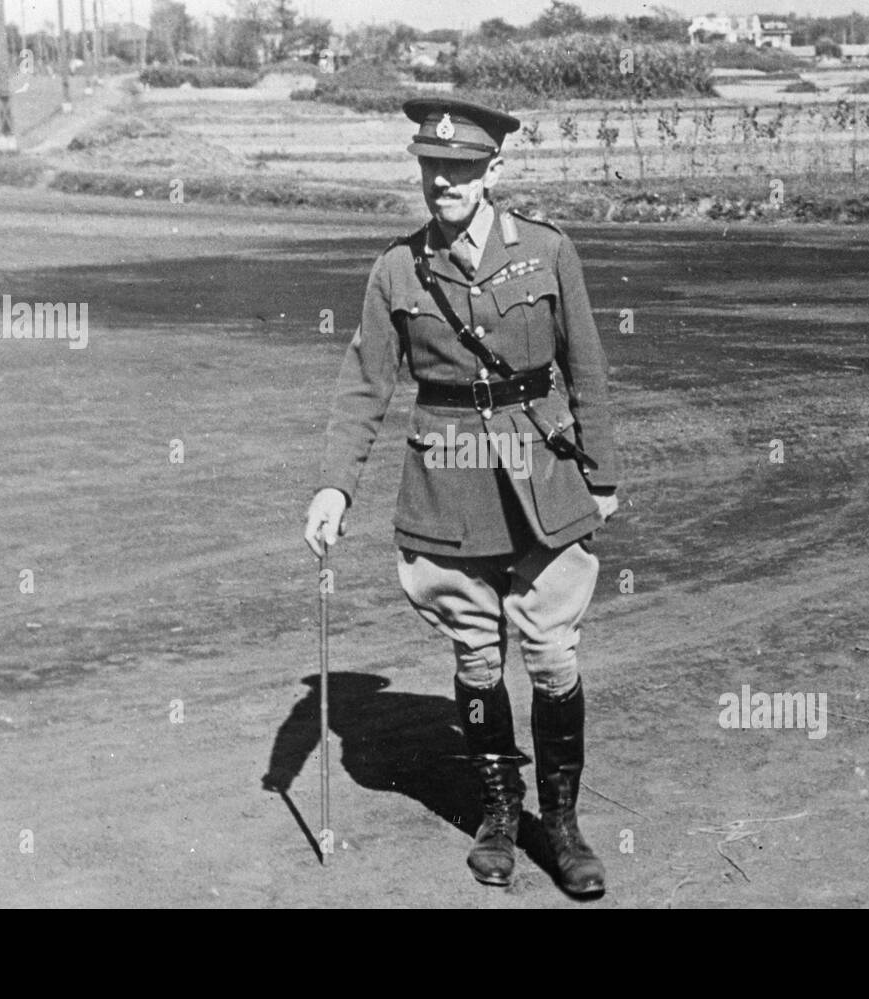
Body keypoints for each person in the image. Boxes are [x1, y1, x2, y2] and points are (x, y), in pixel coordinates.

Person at [302, 98, 621, 897]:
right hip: (446, 485)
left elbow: (587, 366)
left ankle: (565, 825)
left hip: (543, 478)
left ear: (493, 172)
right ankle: (499, 815)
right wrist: (336, 485)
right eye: (430, 168)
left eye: (461, 168)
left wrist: (604, 475)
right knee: (477, 655)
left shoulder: (547, 252)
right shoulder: (396, 271)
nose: (443, 181)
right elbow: (365, 386)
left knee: (551, 655)